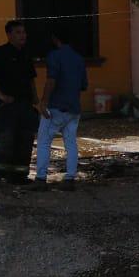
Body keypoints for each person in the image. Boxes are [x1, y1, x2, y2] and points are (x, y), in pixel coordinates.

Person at [0, 20, 39, 187]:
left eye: (24, 32)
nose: (23, 35)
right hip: (7, 105)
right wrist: (0, 95)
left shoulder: (26, 54)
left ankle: (18, 176)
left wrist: (35, 98)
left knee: (25, 140)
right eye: (18, 32)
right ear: (9, 34)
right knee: (5, 140)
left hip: (25, 104)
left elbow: (31, 79)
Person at [33, 32, 88, 191]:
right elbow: (83, 85)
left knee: (44, 142)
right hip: (73, 108)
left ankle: (41, 178)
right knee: (70, 143)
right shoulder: (79, 59)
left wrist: (44, 102)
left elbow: (51, 80)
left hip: (56, 106)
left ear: (55, 39)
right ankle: (70, 178)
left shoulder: (54, 56)